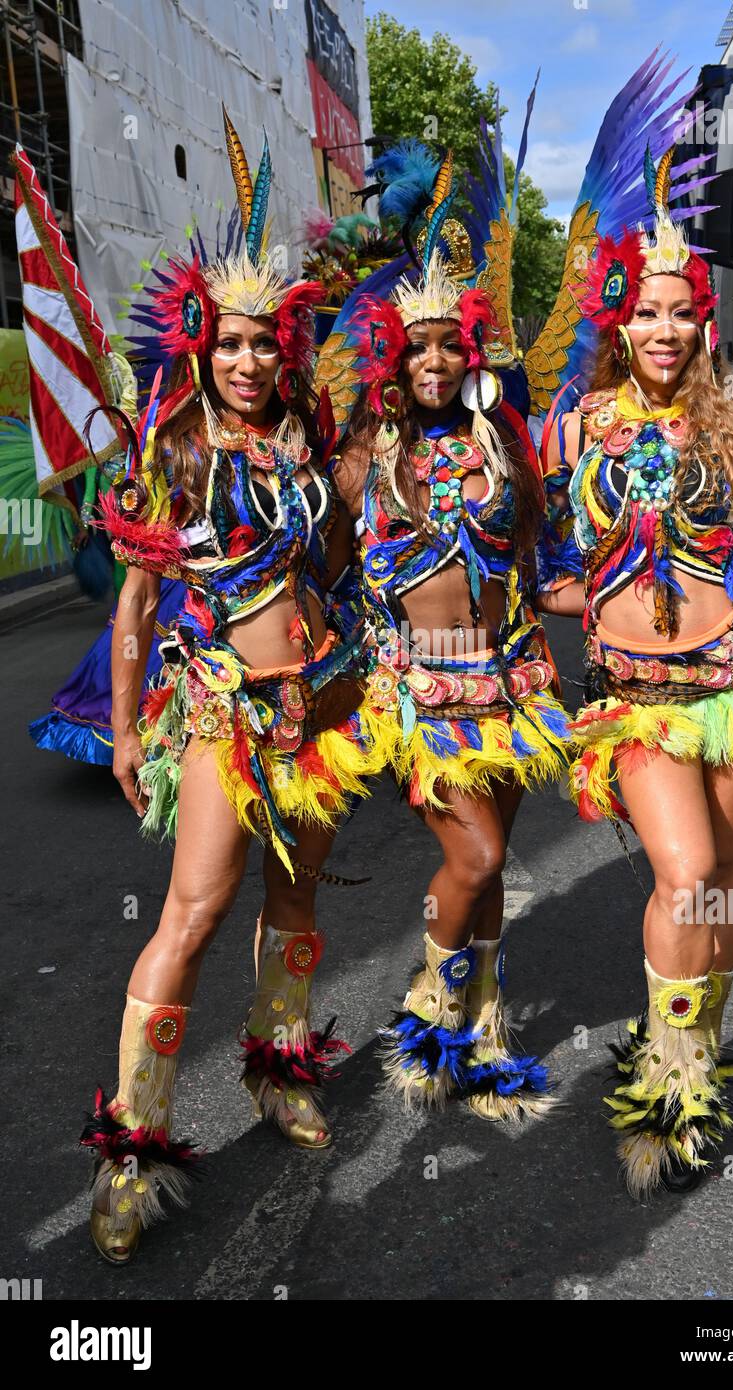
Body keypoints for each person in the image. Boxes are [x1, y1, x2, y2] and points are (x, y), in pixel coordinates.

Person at [79, 111, 381, 1264]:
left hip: (323, 715)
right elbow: (137, 604)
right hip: (222, 712)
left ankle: (279, 1068)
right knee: (194, 914)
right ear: (202, 343)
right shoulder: (177, 446)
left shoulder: (305, 438)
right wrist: (119, 727)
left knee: (298, 907)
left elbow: (340, 564)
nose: (250, 360)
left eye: (267, 343)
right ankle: (132, 1148)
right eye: (233, 343)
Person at [549, 146, 733, 1197]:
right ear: (618, 320)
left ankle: (696, 1063)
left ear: (699, 321)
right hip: (634, 701)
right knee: (680, 876)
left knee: (719, 885)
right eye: (647, 313)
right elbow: (525, 552)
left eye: (681, 313)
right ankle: (664, 1095)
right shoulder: (572, 429)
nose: (663, 331)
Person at [324, 138, 575, 1124]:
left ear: (471, 354)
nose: (433, 361)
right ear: (396, 356)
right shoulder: (361, 458)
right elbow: (315, 567)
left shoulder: (503, 446)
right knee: (468, 860)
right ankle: (431, 1010)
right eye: (415, 346)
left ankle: (484, 1027)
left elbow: (540, 565)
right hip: (418, 695)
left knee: (495, 869)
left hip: (510, 685)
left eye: (448, 346)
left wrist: (616, 599)